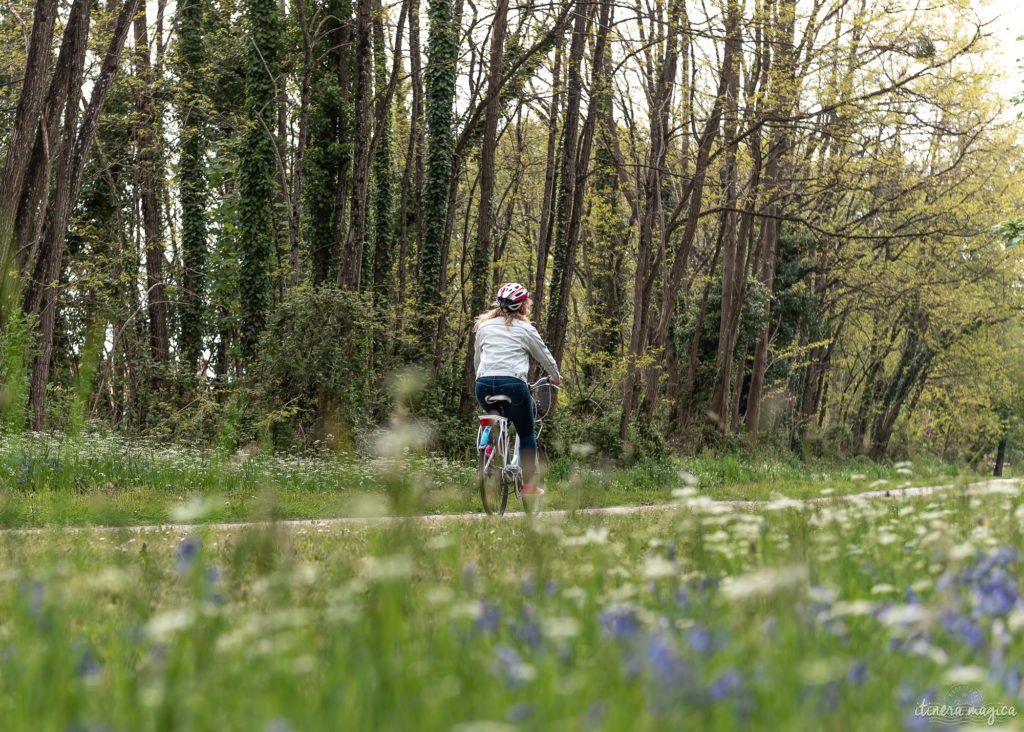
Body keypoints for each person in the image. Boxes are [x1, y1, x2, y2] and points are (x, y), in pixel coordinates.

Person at [474, 282, 561, 495]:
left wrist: (481, 378)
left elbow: (478, 359)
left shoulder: (483, 327)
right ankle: (529, 484)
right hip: (514, 385)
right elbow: (545, 357)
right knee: (526, 430)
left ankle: (489, 449)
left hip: (483, 385)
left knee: (495, 416)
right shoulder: (526, 330)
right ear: (523, 306)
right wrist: (555, 377)